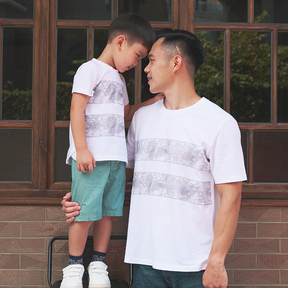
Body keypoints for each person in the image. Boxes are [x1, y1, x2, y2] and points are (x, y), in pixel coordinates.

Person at [62, 29, 247, 288]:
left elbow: (232, 196)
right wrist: (84, 192)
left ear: (176, 62)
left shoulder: (220, 123)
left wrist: (216, 261)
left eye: (150, 60)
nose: (145, 69)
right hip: (144, 261)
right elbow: (117, 173)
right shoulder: (141, 118)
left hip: (195, 265)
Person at [61, 13, 163, 288]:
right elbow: (76, 108)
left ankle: (98, 265)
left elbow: (126, 112)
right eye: (138, 55)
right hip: (92, 158)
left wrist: (153, 102)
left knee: (107, 213)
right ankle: (73, 268)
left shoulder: (119, 80)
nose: (136, 63)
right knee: (84, 213)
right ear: (120, 41)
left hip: (116, 159)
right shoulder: (89, 69)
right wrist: (81, 148)